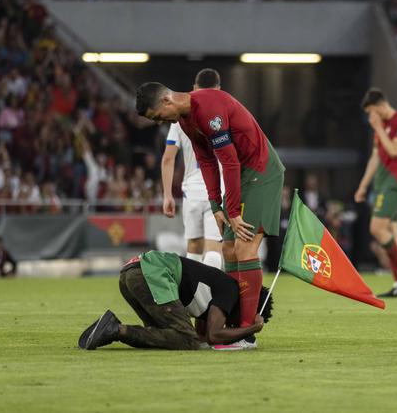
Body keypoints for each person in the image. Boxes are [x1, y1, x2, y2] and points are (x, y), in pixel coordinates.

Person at [136, 81, 285, 329]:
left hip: (261, 172)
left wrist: (234, 212)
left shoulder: (208, 108)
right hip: (242, 177)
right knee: (227, 249)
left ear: (166, 101)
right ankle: (233, 319)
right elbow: (206, 162)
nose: (161, 122)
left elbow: (229, 162)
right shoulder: (185, 120)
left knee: (245, 248)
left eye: (158, 116)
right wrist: (216, 205)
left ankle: (246, 331)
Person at [78, 250, 273, 351]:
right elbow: (214, 335)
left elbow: (205, 333)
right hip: (152, 274)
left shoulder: (220, 292)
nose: (235, 323)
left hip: (132, 272)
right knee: (188, 341)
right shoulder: (230, 290)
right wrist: (251, 329)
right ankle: (116, 330)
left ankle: (108, 329)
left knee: (164, 338)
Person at [161, 68, 223, 269]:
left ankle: (194, 297)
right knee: (214, 246)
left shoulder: (180, 117)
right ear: (219, 89)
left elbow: (168, 159)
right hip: (219, 190)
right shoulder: (224, 115)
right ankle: (210, 295)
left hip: (192, 192)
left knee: (194, 246)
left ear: (194, 88)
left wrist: (167, 194)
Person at [354, 88, 397, 297]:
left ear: (380, 107)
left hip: (394, 183)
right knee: (392, 235)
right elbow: (375, 158)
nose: (371, 118)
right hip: (381, 185)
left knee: (377, 228)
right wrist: (363, 186)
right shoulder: (382, 127)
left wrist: (379, 128)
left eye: (372, 112)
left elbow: (395, 151)